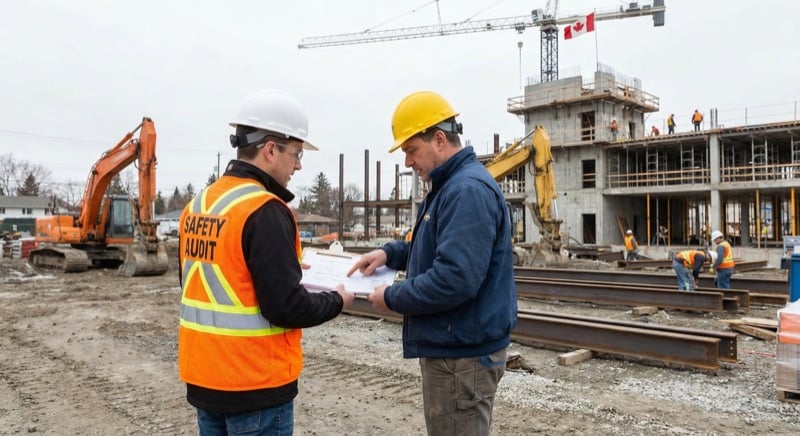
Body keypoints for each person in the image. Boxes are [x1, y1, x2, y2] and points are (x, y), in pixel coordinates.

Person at [177, 89, 355, 435]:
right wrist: (338, 300)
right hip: (254, 383)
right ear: (270, 150)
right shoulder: (265, 209)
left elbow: (206, 282)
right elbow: (286, 308)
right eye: (296, 153)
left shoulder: (199, 205)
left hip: (205, 379)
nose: (299, 165)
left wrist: (278, 269)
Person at [347, 90, 516, 436]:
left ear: (439, 139)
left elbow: (454, 278)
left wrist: (392, 297)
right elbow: (434, 245)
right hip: (458, 350)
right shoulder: (450, 185)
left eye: (411, 150)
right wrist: (390, 254)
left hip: (461, 359)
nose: (408, 162)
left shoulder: (465, 190)